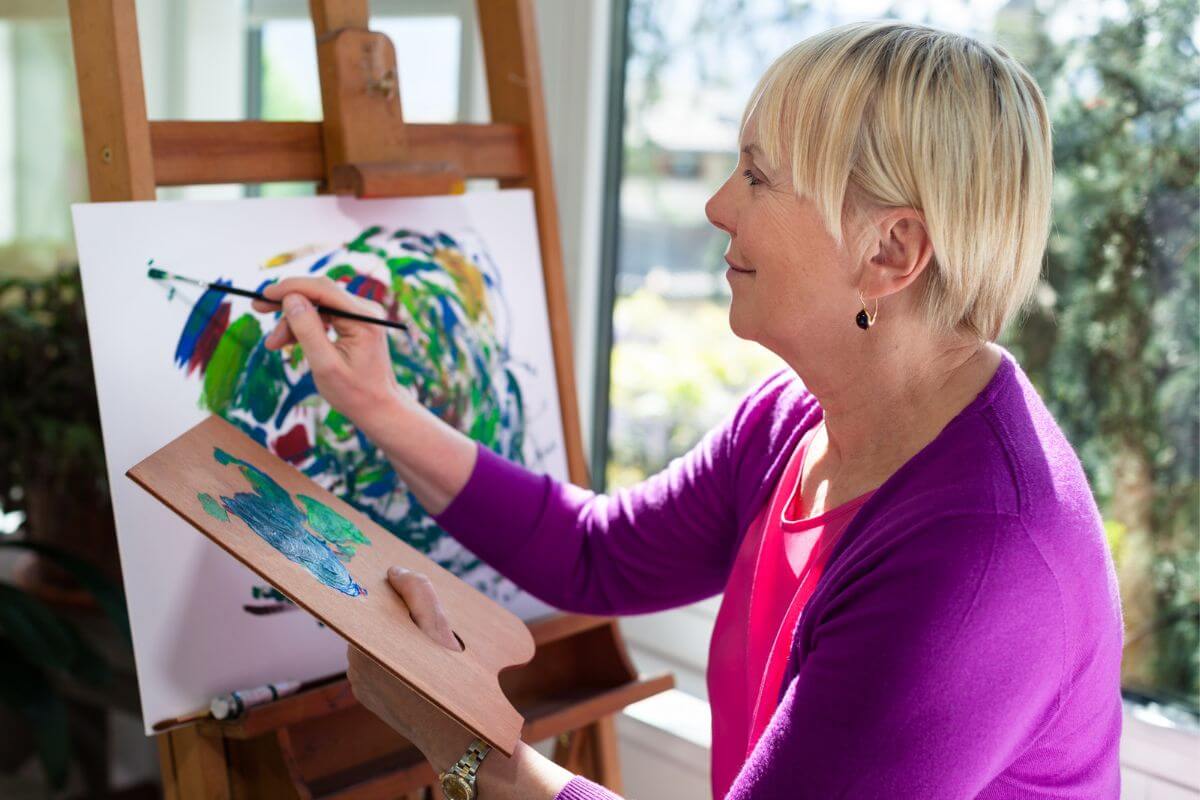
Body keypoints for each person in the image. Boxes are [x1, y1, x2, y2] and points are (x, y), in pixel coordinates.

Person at [253, 20, 1123, 800]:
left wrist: (460, 737)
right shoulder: (796, 418)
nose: (717, 207)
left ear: (890, 250)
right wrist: (376, 403)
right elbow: (595, 554)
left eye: (758, 177)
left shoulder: (978, 558)